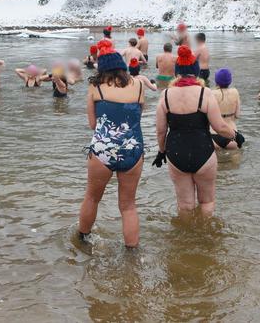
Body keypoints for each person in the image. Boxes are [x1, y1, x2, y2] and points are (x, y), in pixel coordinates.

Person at [153, 46, 236, 218]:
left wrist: (161, 152)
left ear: (177, 72)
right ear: (196, 71)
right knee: (207, 202)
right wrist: (235, 136)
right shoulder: (205, 93)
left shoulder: (165, 95)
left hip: (176, 154)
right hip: (203, 152)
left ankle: (185, 241)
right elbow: (220, 127)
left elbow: (161, 131)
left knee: (185, 206)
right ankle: (204, 239)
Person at [78, 44, 146, 248]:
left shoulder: (95, 87)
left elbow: (93, 124)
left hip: (103, 149)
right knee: (128, 206)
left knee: (92, 198)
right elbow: (137, 116)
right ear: (122, 66)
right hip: (133, 148)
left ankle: (82, 240)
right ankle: (131, 253)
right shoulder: (140, 85)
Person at [211, 68, 244, 150]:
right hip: (232, 134)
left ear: (216, 80)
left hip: (213, 134)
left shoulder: (211, 93)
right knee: (234, 161)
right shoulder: (235, 92)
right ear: (230, 80)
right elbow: (237, 115)